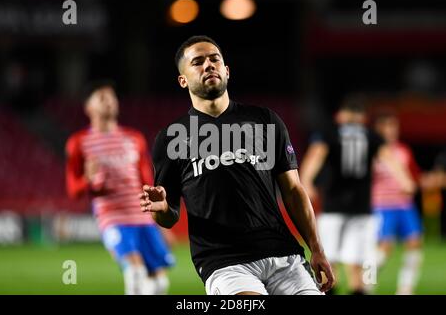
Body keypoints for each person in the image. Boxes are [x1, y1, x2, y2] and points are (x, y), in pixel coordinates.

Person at [139, 35, 335, 295]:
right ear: (183, 80)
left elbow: (293, 190)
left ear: (227, 71)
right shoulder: (171, 137)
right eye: (198, 62)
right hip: (224, 263)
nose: (209, 65)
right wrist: (162, 208)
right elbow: (168, 214)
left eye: (214, 59)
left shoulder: (265, 120)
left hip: (284, 256)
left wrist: (317, 249)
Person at [66, 81, 174, 295]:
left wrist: (159, 221)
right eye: (102, 98)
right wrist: (87, 179)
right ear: (88, 107)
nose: (109, 102)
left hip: (142, 216)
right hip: (112, 216)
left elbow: (147, 183)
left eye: (112, 97)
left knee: (160, 284)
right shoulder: (79, 142)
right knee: (135, 271)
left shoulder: (134, 139)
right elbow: (73, 190)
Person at [300, 97, 415, 295]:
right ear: (362, 118)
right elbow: (388, 157)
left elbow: (315, 155)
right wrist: (405, 180)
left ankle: (327, 291)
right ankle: (362, 290)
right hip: (362, 208)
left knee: (327, 261)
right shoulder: (370, 135)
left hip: (333, 207)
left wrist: (306, 181)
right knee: (361, 263)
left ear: (341, 115)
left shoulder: (330, 133)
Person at [372, 111, 423, 295]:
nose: (392, 131)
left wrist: (417, 183)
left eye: (394, 127)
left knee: (415, 242)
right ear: (379, 129)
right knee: (384, 248)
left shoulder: (403, 151)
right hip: (381, 205)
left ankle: (405, 288)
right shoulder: (373, 151)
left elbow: (414, 176)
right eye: (388, 127)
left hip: (404, 205)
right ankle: (366, 283)